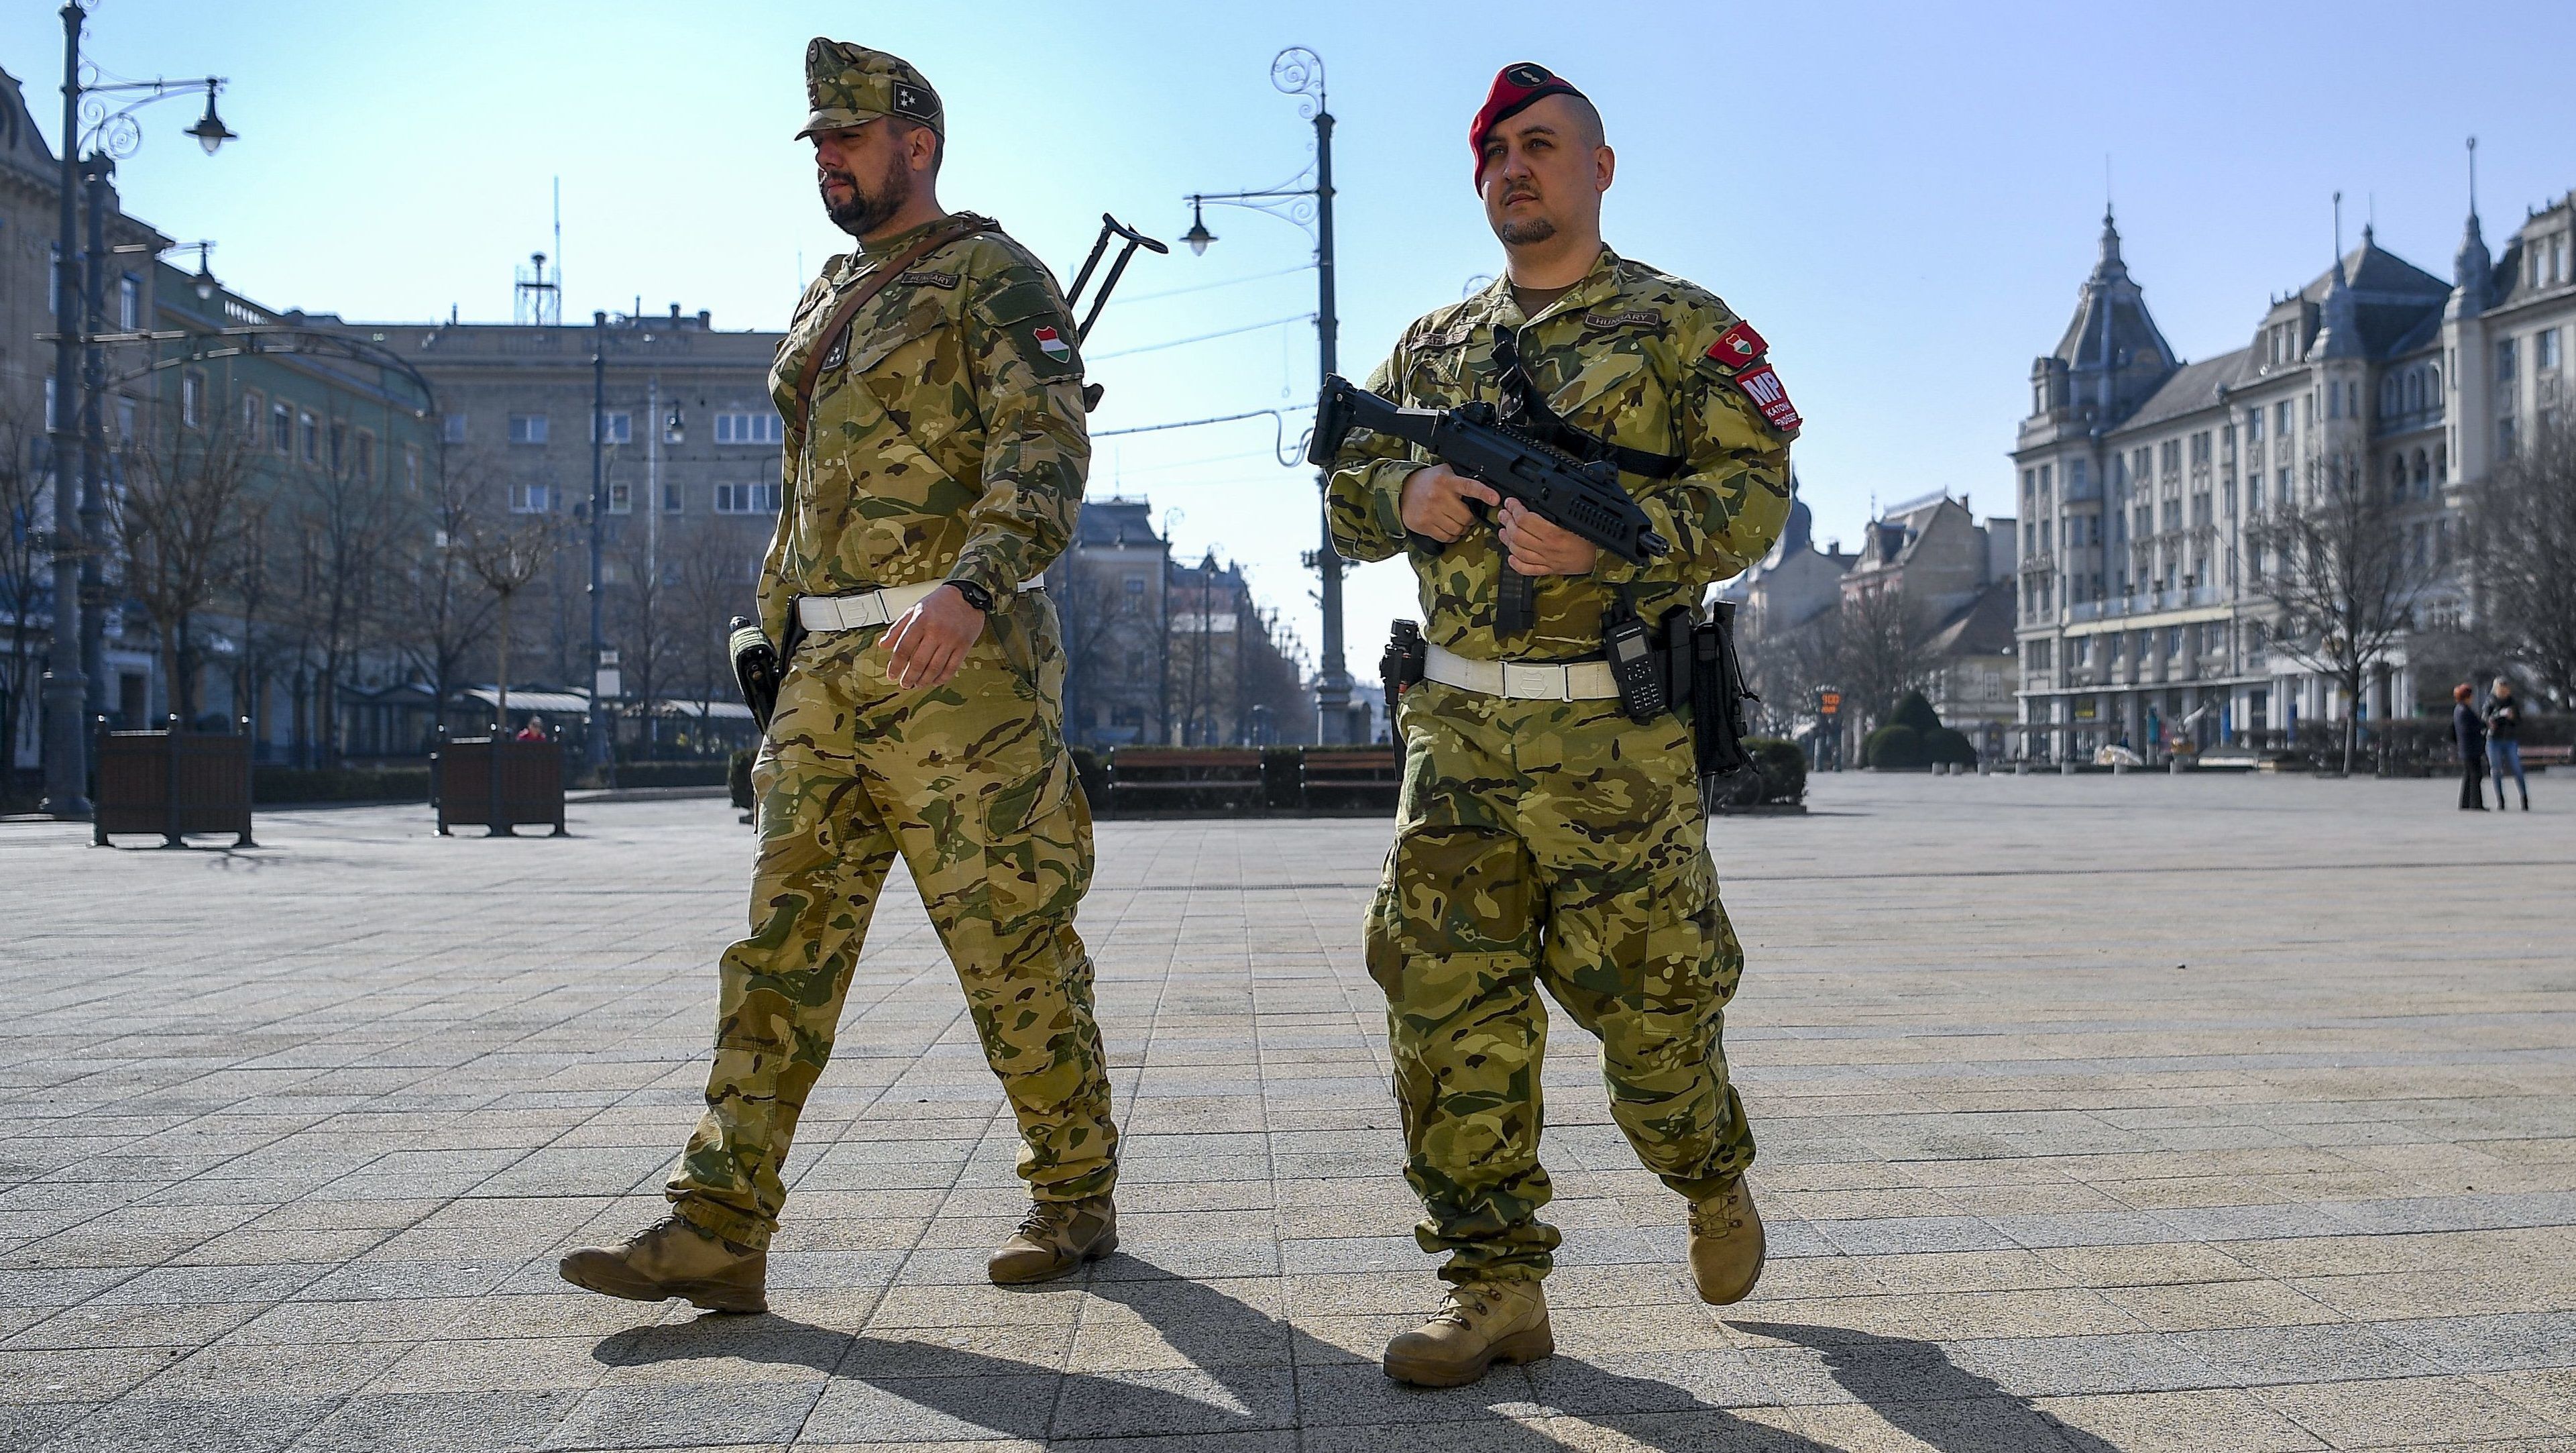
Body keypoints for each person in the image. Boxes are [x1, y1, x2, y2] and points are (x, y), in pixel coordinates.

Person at [561, 39, 1115, 1315]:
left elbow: (1044, 451)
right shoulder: (827, 296)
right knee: (780, 948)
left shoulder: (994, 275)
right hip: (825, 674)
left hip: (956, 674)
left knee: (1010, 946)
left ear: (915, 144)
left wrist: (975, 589)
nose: (828, 161)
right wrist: (767, 630)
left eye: (847, 140)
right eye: (816, 143)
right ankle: (718, 1222)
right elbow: (811, 490)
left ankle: (1075, 1191)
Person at [1325, 62, 1796, 1387]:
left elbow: (1756, 498)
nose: (1515, 170)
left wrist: (1619, 551)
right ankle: (1494, 1291)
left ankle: (1707, 1170)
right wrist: (1399, 496)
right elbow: (1342, 487)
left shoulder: (1677, 327)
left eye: (1541, 146)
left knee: (1655, 1017)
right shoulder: (1429, 346)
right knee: (1442, 1016)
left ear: (1599, 167)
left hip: (1614, 750)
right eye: (1494, 157)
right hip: (1457, 741)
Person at [2484, 678, 2530, 811]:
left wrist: (2512, 718)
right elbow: (2484, 717)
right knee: (2496, 770)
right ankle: (2500, 800)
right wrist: (2493, 718)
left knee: (2517, 769)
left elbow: (2519, 721)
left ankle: (2524, 798)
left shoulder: (2513, 702)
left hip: (2509, 740)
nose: (2503, 691)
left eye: (2505, 688)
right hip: (2494, 739)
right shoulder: (2490, 701)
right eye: (2501, 688)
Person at [2454, 684, 2487, 811]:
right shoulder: (2464, 711)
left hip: (2465, 747)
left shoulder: (2459, 709)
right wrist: (2482, 726)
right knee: (2476, 775)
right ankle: (2476, 803)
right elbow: (2469, 727)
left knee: (2468, 776)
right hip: (2471, 748)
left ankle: (2465, 802)